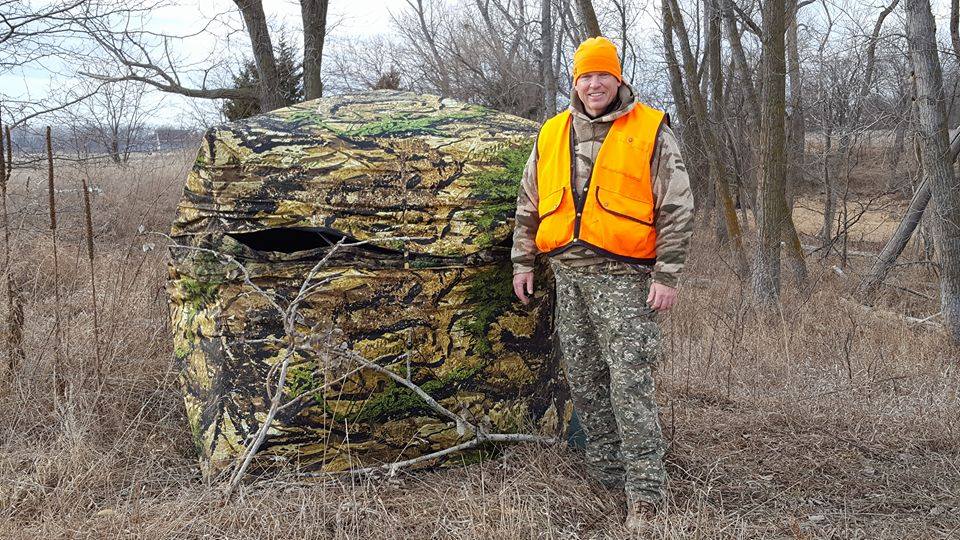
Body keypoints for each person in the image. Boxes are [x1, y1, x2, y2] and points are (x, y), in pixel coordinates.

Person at [511, 36, 694, 531]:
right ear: (576, 82)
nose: (594, 84)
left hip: (627, 281)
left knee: (630, 385)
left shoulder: (651, 129)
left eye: (603, 75)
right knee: (589, 382)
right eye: (585, 76)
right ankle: (608, 474)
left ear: (618, 79)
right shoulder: (551, 133)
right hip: (568, 278)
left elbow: (677, 206)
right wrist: (521, 262)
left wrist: (668, 274)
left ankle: (646, 495)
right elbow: (530, 203)